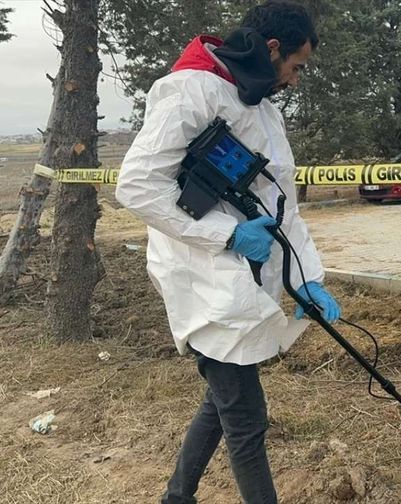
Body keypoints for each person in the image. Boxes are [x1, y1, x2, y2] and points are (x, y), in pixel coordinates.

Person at [115, 2, 341, 503]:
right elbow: (136, 187)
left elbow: (283, 202)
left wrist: (306, 277)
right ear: (273, 48)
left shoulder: (263, 108)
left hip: (241, 274)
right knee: (245, 417)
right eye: (297, 67)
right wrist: (227, 235)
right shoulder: (189, 90)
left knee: (221, 403)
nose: (296, 80)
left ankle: (177, 497)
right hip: (202, 275)